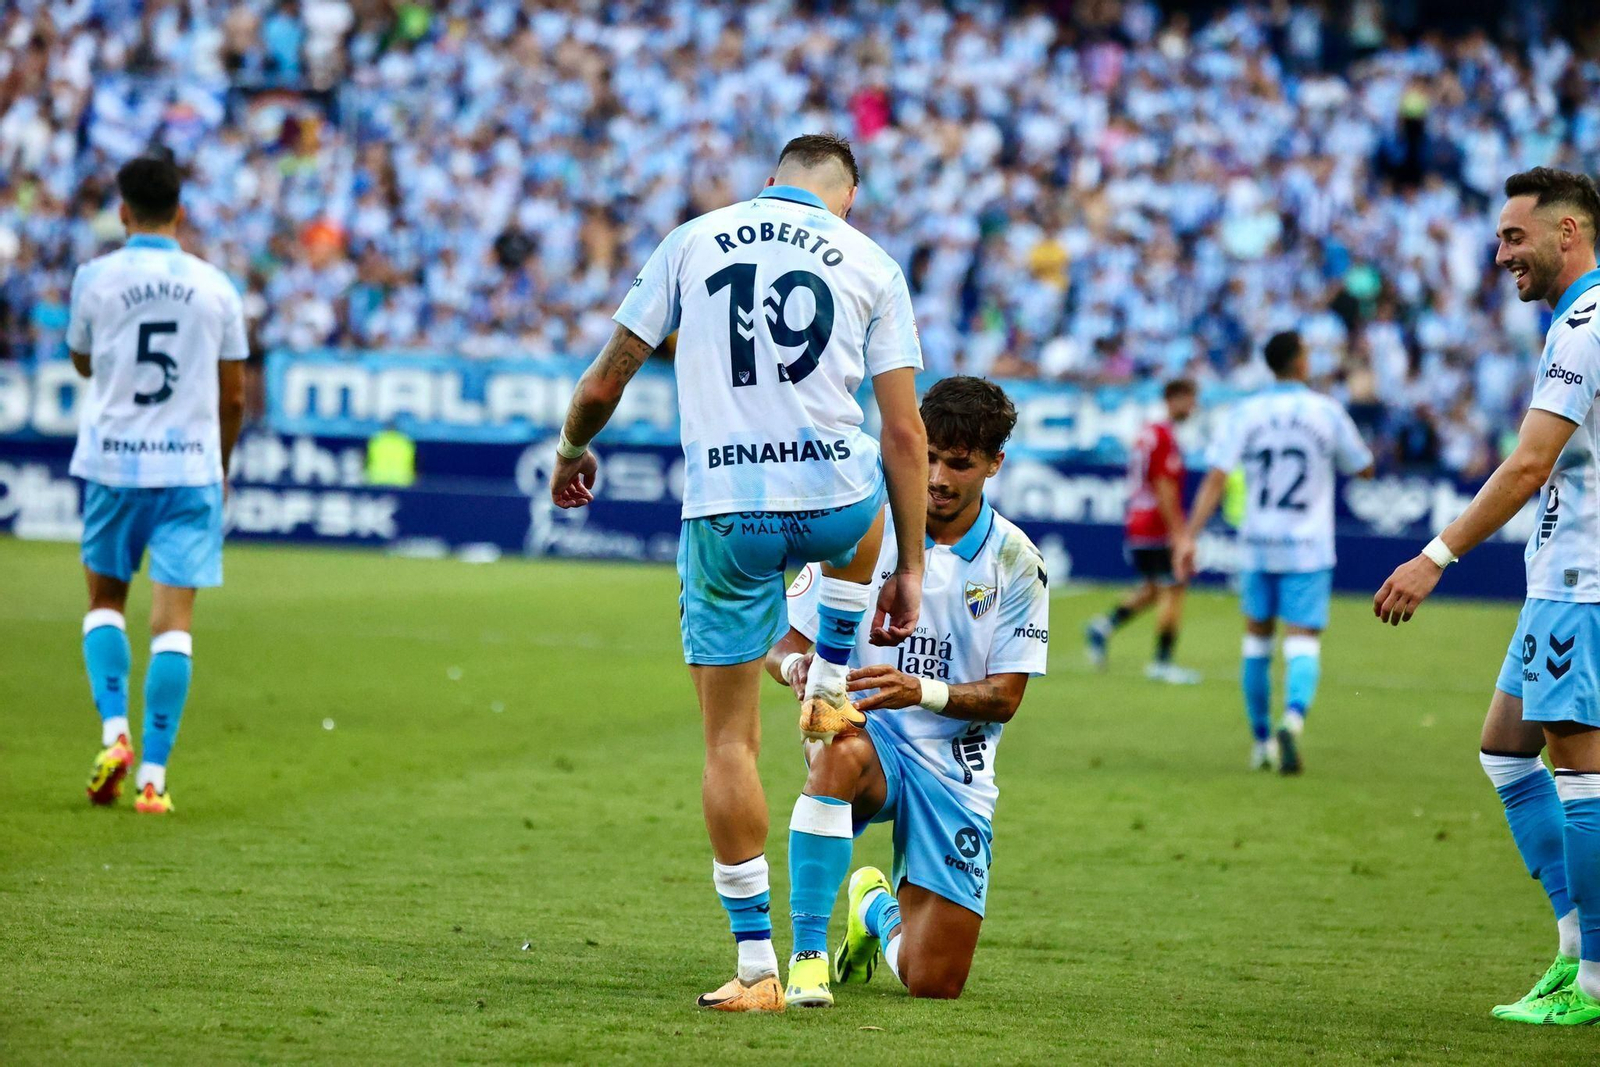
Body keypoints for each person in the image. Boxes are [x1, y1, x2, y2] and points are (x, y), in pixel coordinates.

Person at [549, 134, 928, 1012]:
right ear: (847, 198)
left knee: (730, 742)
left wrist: (572, 449)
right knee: (861, 481)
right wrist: (908, 567)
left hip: (725, 512)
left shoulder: (695, 238)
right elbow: (906, 437)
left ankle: (757, 966)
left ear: (770, 183)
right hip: (838, 504)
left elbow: (608, 379)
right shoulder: (870, 259)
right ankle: (830, 672)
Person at [1374, 167, 1600, 1026]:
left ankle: (1593, 983)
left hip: (1582, 585)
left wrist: (1436, 555)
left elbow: (1531, 463)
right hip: (1562, 583)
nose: (1500, 252)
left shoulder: (1584, 323)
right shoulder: (1570, 323)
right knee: (1506, 750)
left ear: (1568, 232)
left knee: (1584, 780)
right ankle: (1575, 946)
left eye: (1515, 236)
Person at [765, 376, 1049, 1006]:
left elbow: (1005, 696)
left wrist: (919, 689)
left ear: (994, 464)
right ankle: (807, 958)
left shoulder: (1017, 562)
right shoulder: (865, 527)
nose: (940, 478)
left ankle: (872, 907)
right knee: (836, 741)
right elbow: (779, 638)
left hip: (955, 770)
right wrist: (798, 671)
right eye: (930, 457)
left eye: (960, 463)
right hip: (869, 734)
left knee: (934, 982)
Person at [70, 156, 249, 814]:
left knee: (104, 602)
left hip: (115, 461)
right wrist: (220, 461)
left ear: (122, 211)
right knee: (174, 625)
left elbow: (84, 359)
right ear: (181, 212)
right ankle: (152, 777)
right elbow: (233, 396)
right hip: (189, 468)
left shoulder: (95, 278)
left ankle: (113, 732)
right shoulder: (216, 287)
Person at [1176, 331, 1374, 773]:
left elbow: (1216, 476)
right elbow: (1362, 465)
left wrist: (1190, 535)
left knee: (1256, 642)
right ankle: (1294, 717)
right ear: (1300, 363)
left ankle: (1262, 740)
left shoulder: (1246, 413)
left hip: (1257, 544)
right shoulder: (1326, 411)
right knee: (1302, 640)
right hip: (1308, 547)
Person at [1085, 378, 1201, 684]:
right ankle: (1162, 663)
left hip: (1137, 522)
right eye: (1190, 399)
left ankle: (1103, 626)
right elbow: (1164, 487)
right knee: (1174, 588)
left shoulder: (1147, 434)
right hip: (1155, 525)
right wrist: (1179, 535)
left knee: (1153, 589)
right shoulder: (1163, 436)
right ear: (1174, 398)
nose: (1193, 407)